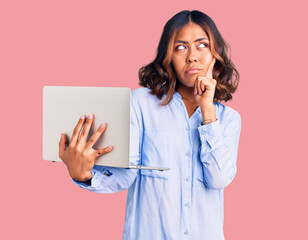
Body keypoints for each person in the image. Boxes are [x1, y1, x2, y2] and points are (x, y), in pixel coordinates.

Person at [58, 10, 241, 240]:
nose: (192, 56)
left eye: (202, 45)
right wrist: (84, 175)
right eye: (181, 47)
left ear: (216, 54)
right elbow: (126, 176)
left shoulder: (228, 119)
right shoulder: (141, 104)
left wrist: (207, 112)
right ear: (168, 56)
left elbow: (219, 178)